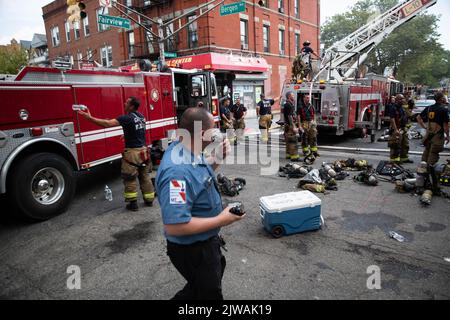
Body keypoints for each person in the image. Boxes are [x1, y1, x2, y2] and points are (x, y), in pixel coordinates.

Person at [155, 107, 244, 300]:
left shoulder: (188, 149)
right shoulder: (177, 172)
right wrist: (222, 219)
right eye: (214, 130)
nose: (217, 134)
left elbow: (199, 175)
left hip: (204, 243)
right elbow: (175, 226)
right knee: (209, 294)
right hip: (193, 249)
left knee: (203, 284)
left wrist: (218, 157)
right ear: (203, 133)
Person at [78, 97, 155, 211]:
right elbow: (138, 130)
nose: (125, 103)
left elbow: (107, 124)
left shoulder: (126, 118)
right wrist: (128, 135)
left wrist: (89, 118)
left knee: (130, 178)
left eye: (127, 102)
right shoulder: (141, 116)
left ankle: (133, 204)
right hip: (143, 152)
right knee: (145, 177)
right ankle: (149, 200)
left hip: (132, 154)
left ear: (132, 106)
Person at [417, 92, 450, 193]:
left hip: (429, 135)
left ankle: (421, 172)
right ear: (441, 99)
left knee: (426, 152)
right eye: (444, 97)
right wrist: (448, 136)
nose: (445, 99)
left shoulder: (429, 108)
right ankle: (429, 177)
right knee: (433, 154)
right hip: (437, 136)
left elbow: (418, 117)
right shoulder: (444, 110)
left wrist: (424, 127)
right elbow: (445, 125)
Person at [388, 94, 412, 164]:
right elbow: (392, 119)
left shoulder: (402, 108)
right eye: (401, 99)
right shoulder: (393, 108)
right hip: (396, 129)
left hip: (402, 129)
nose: (403, 100)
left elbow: (405, 117)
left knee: (405, 144)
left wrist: (405, 128)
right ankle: (394, 160)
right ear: (397, 100)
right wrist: (395, 130)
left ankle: (404, 158)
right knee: (395, 145)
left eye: (403, 98)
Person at [283, 91, 300, 161]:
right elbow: (290, 116)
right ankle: (294, 157)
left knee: (288, 141)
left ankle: (288, 155)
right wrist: (293, 127)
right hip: (290, 126)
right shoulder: (289, 105)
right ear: (289, 96)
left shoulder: (287, 104)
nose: (294, 96)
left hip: (287, 125)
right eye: (293, 95)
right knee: (293, 141)